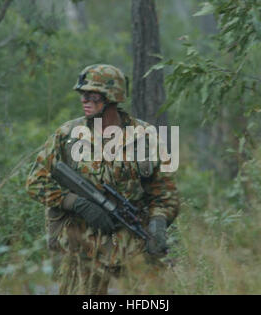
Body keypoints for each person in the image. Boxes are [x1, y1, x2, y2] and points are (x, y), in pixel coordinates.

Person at [26, 64, 179, 294]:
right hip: (82, 249)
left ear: (112, 97)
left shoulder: (146, 137)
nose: (84, 100)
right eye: (82, 94)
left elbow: (165, 193)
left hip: (132, 246)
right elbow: (35, 182)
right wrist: (75, 202)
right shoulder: (68, 135)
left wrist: (158, 225)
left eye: (92, 95)